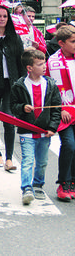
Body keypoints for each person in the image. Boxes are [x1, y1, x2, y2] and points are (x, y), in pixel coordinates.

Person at [10, 49, 61, 205]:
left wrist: (53, 127)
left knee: (42, 161)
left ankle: (38, 184)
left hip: (44, 131)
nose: (44, 66)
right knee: (27, 161)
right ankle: (26, 188)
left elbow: (56, 108)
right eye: (40, 64)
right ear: (29, 68)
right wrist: (22, 107)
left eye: (44, 62)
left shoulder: (51, 84)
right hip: (26, 130)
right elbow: (13, 106)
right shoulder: (19, 85)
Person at [0, 5, 23, 171]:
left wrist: (22, 84)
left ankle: (9, 158)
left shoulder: (15, 39)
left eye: (5, 16)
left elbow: (21, 63)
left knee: (8, 119)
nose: (2, 19)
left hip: (11, 84)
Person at [47, 25, 75, 201]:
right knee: (69, 145)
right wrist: (61, 108)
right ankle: (63, 182)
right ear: (61, 43)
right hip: (64, 112)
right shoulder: (52, 62)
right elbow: (50, 90)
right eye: (72, 42)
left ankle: (73, 182)